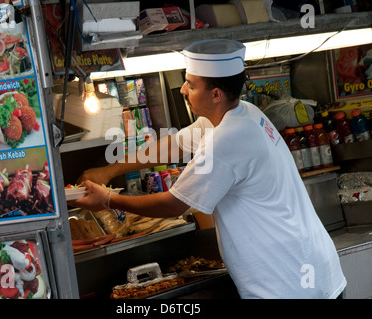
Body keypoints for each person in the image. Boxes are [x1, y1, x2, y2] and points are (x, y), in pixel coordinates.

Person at [69, 39, 347, 299]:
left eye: (190, 84)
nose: (182, 90)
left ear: (215, 93)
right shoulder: (242, 114)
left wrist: (106, 199)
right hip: (307, 268)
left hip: (290, 282)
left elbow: (173, 204)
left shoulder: (228, 140)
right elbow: (175, 145)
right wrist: (109, 170)